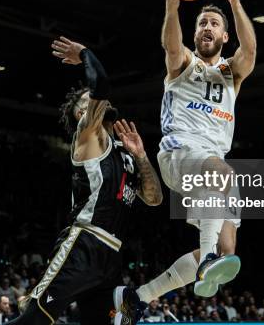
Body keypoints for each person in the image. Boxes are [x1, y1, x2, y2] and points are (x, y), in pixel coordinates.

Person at [115, 0, 257, 322]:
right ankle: (207, 257)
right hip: (180, 151)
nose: (206, 27)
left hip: (212, 163)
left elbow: (251, 51)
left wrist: (236, 4)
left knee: (228, 252)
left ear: (225, 36)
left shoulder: (231, 74)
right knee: (219, 172)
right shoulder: (183, 64)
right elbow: (170, 43)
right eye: (202, 23)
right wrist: (171, 6)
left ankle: (140, 296)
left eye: (213, 23)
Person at [9, 36, 162, 325]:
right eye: (89, 101)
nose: (102, 102)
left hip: (111, 255)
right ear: (83, 113)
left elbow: (155, 199)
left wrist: (141, 156)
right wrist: (85, 54)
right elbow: (101, 85)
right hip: (84, 242)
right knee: (33, 321)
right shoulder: (87, 135)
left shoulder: (122, 153)